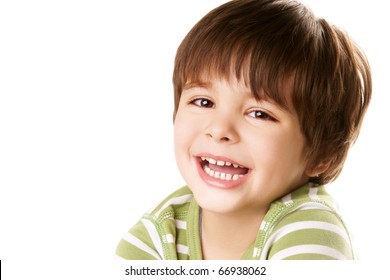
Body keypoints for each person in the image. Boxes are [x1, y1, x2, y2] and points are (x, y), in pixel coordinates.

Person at [116, 0, 371, 260]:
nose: (218, 129)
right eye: (204, 101)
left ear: (322, 156)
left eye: (259, 114)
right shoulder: (157, 234)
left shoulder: (312, 231)